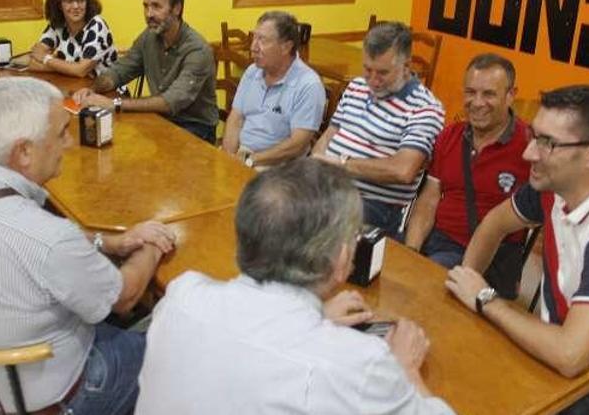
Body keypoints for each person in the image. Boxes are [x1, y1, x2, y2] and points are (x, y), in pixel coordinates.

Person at [0, 77, 177, 414]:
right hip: (51, 395)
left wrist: (109, 242)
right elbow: (124, 296)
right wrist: (152, 244)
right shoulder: (51, 239)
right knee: (181, 339)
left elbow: (24, 235)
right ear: (24, 151)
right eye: (61, 133)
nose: (68, 143)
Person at [136, 159, 454, 414]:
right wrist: (407, 371)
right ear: (342, 258)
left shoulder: (182, 294)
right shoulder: (360, 365)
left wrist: (318, 322)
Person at [446, 85, 589, 414]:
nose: (529, 153)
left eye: (548, 143)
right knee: (452, 368)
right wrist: (466, 283)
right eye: (535, 136)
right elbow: (494, 224)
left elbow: (570, 356)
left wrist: (485, 298)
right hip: (555, 344)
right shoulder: (558, 182)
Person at [404, 53, 530, 298]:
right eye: (470, 92)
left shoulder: (530, 146)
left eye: (489, 94)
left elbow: (540, 216)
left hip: (494, 257)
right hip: (440, 243)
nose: (477, 102)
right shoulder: (450, 136)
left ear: (511, 95)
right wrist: (410, 253)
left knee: (426, 294)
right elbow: (429, 201)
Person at [311, 21, 444, 237]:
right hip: (329, 187)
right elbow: (328, 136)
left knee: (309, 221)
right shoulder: (356, 86)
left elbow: (402, 172)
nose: (373, 80)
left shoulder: (425, 108)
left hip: (375, 206)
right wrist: (317, 161)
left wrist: (341, 164)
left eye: (383, 72)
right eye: (367, 69)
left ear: (406, 66)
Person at [75, 0, 218, 143]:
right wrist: (93, 89)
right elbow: (120, 71)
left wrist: (114, 104)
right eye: (146, 6)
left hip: (195, 129)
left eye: (156, 6)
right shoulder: (149, 36)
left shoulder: (197, 50)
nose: (149, 14)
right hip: (161, 121)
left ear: (177, 8)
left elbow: (171, 101)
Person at [222, 11, 326, 169]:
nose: (253, 47)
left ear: (286, 47)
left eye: (262, 40)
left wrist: (251, 160)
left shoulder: (308, 85)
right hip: (242, 156)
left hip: (278, 166)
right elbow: (235, 118)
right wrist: (229, 158)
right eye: (254, 38)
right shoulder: (252, 71)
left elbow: (297, 144)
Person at [28, 0, 118, 78]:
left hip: (107, 90)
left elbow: (80, 71)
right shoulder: (58, 24)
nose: (76, 6)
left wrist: (46, 59)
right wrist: (67, 68)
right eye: (69, 1)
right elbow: (33, 62)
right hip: (75, 86)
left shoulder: (97, 26)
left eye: (80, 0)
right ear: (59, 4)